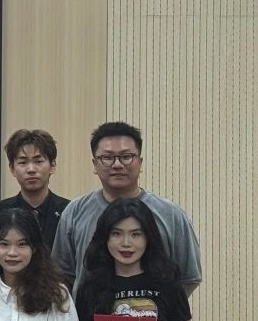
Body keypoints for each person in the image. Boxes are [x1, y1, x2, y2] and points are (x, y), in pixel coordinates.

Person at [53, 121, 202, 296]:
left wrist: (164, 308)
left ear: (140, 162)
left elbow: (189, 277)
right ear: (94, 164)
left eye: (126, 156)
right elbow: (62, 274)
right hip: (89, 313)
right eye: (107, 157)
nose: (117, 164)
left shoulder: (171, 214)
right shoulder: (74, 212)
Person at [0, 129, 69, 251]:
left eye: (38, 161)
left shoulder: (70, 212)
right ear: (12, 169)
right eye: (23, 162)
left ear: (52, 165)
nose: (31, 169)